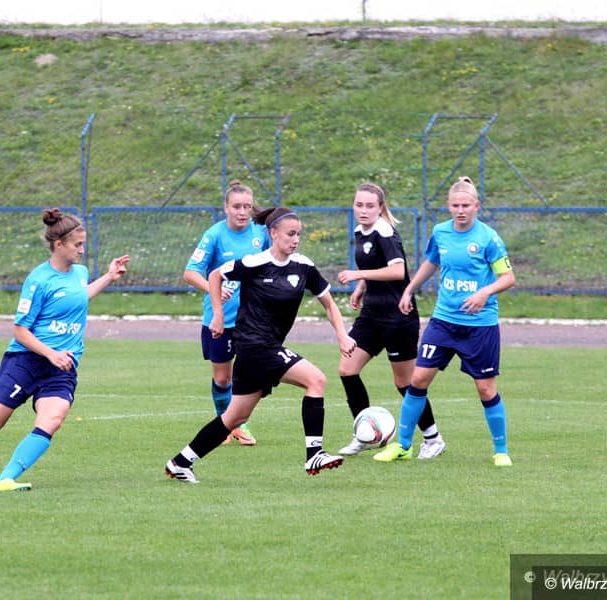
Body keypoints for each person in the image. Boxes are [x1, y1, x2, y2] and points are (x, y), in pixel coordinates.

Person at [0, 208, 130, 491]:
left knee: (52, 419)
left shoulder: (80, 273)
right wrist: (51, 353)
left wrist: (108, 276)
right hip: (26, 360)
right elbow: (20, 330)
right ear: (59, 244)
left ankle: (4, 480)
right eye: (77, 245)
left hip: (62, 366)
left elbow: (78, 298)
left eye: (83, 244)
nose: (82, 250)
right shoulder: (38, 280)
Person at [165, 206, 357, 483]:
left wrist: (342, 335)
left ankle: (180, 462)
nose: (295, 240)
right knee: (316, 380)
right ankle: (314, 453)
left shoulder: (303, 266)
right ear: (273, 233)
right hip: (255, 346)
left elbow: (328, 303)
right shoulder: (255, 263)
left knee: (234, 418)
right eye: (290, 234)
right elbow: (216, 275)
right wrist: (217, 314)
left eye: (299, 234)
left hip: (263, 350)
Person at [373, 176, 515, 466]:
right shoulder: (440, 232)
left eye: (466, 206)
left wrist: (484, 293)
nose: (460, 210)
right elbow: (432, 262)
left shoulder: (488, 238)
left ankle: (501, 451)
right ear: (448, 206)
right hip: (443, 321)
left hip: (479, 325)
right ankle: (403, 445)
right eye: (455, 206)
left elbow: (508, 277)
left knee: (485, 389)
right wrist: (409, 289)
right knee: (418, 379)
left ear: (476, 206)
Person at [335, 183, 445, 459]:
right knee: (347, 369)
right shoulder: (360, 231)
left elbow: (397, 271)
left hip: (398, 317)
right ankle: (365, 433)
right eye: (359, 205)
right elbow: (374, 265)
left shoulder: (385, 232)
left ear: (380, 207)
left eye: (370, 206)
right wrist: (362, 288)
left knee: (405, 383)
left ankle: (433, 438)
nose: (363, 210)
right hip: (371, 316)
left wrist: (358, 276)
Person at [183, 179, 270, 446]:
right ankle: (225, 425)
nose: (242, 212)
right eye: (237, 207)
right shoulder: (214, 235)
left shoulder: (261, 233)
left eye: (247, 206)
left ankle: (239, 424)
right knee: (223, 378)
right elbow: (190, 273)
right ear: (226, 207)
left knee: (251, 374)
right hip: (220, 318)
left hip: (252, 319)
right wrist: (214, 289)